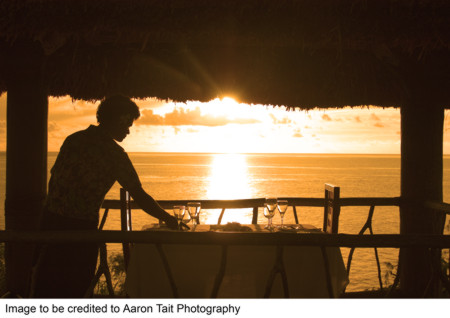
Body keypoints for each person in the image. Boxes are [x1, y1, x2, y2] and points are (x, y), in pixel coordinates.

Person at [31, 95, 179, 298]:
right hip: (81, 231)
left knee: (45, 290)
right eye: (127, 124)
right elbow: (139, 194)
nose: (128, 131)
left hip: (49, 224)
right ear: (117, 119)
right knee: (73, 292)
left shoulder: (73, 139)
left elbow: (54, 182)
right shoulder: (114, 154)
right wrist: (169, 218)